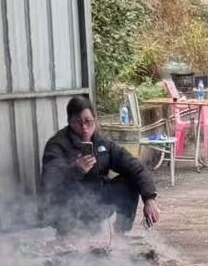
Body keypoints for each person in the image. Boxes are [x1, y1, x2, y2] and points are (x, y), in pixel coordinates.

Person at [39, 95, 162, 235]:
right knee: (74, 242)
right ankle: (68, 235)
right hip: (68, 210)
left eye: (88, 122)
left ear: (95, 121)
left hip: (96, 202)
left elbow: (136, 167)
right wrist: (76, 170)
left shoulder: (102, 143)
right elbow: (49, 185)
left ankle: (121, 234)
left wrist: (149, 198)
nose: (84, 128)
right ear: (69, 122)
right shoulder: (57, 145)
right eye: (78, 122)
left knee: (130, 181)